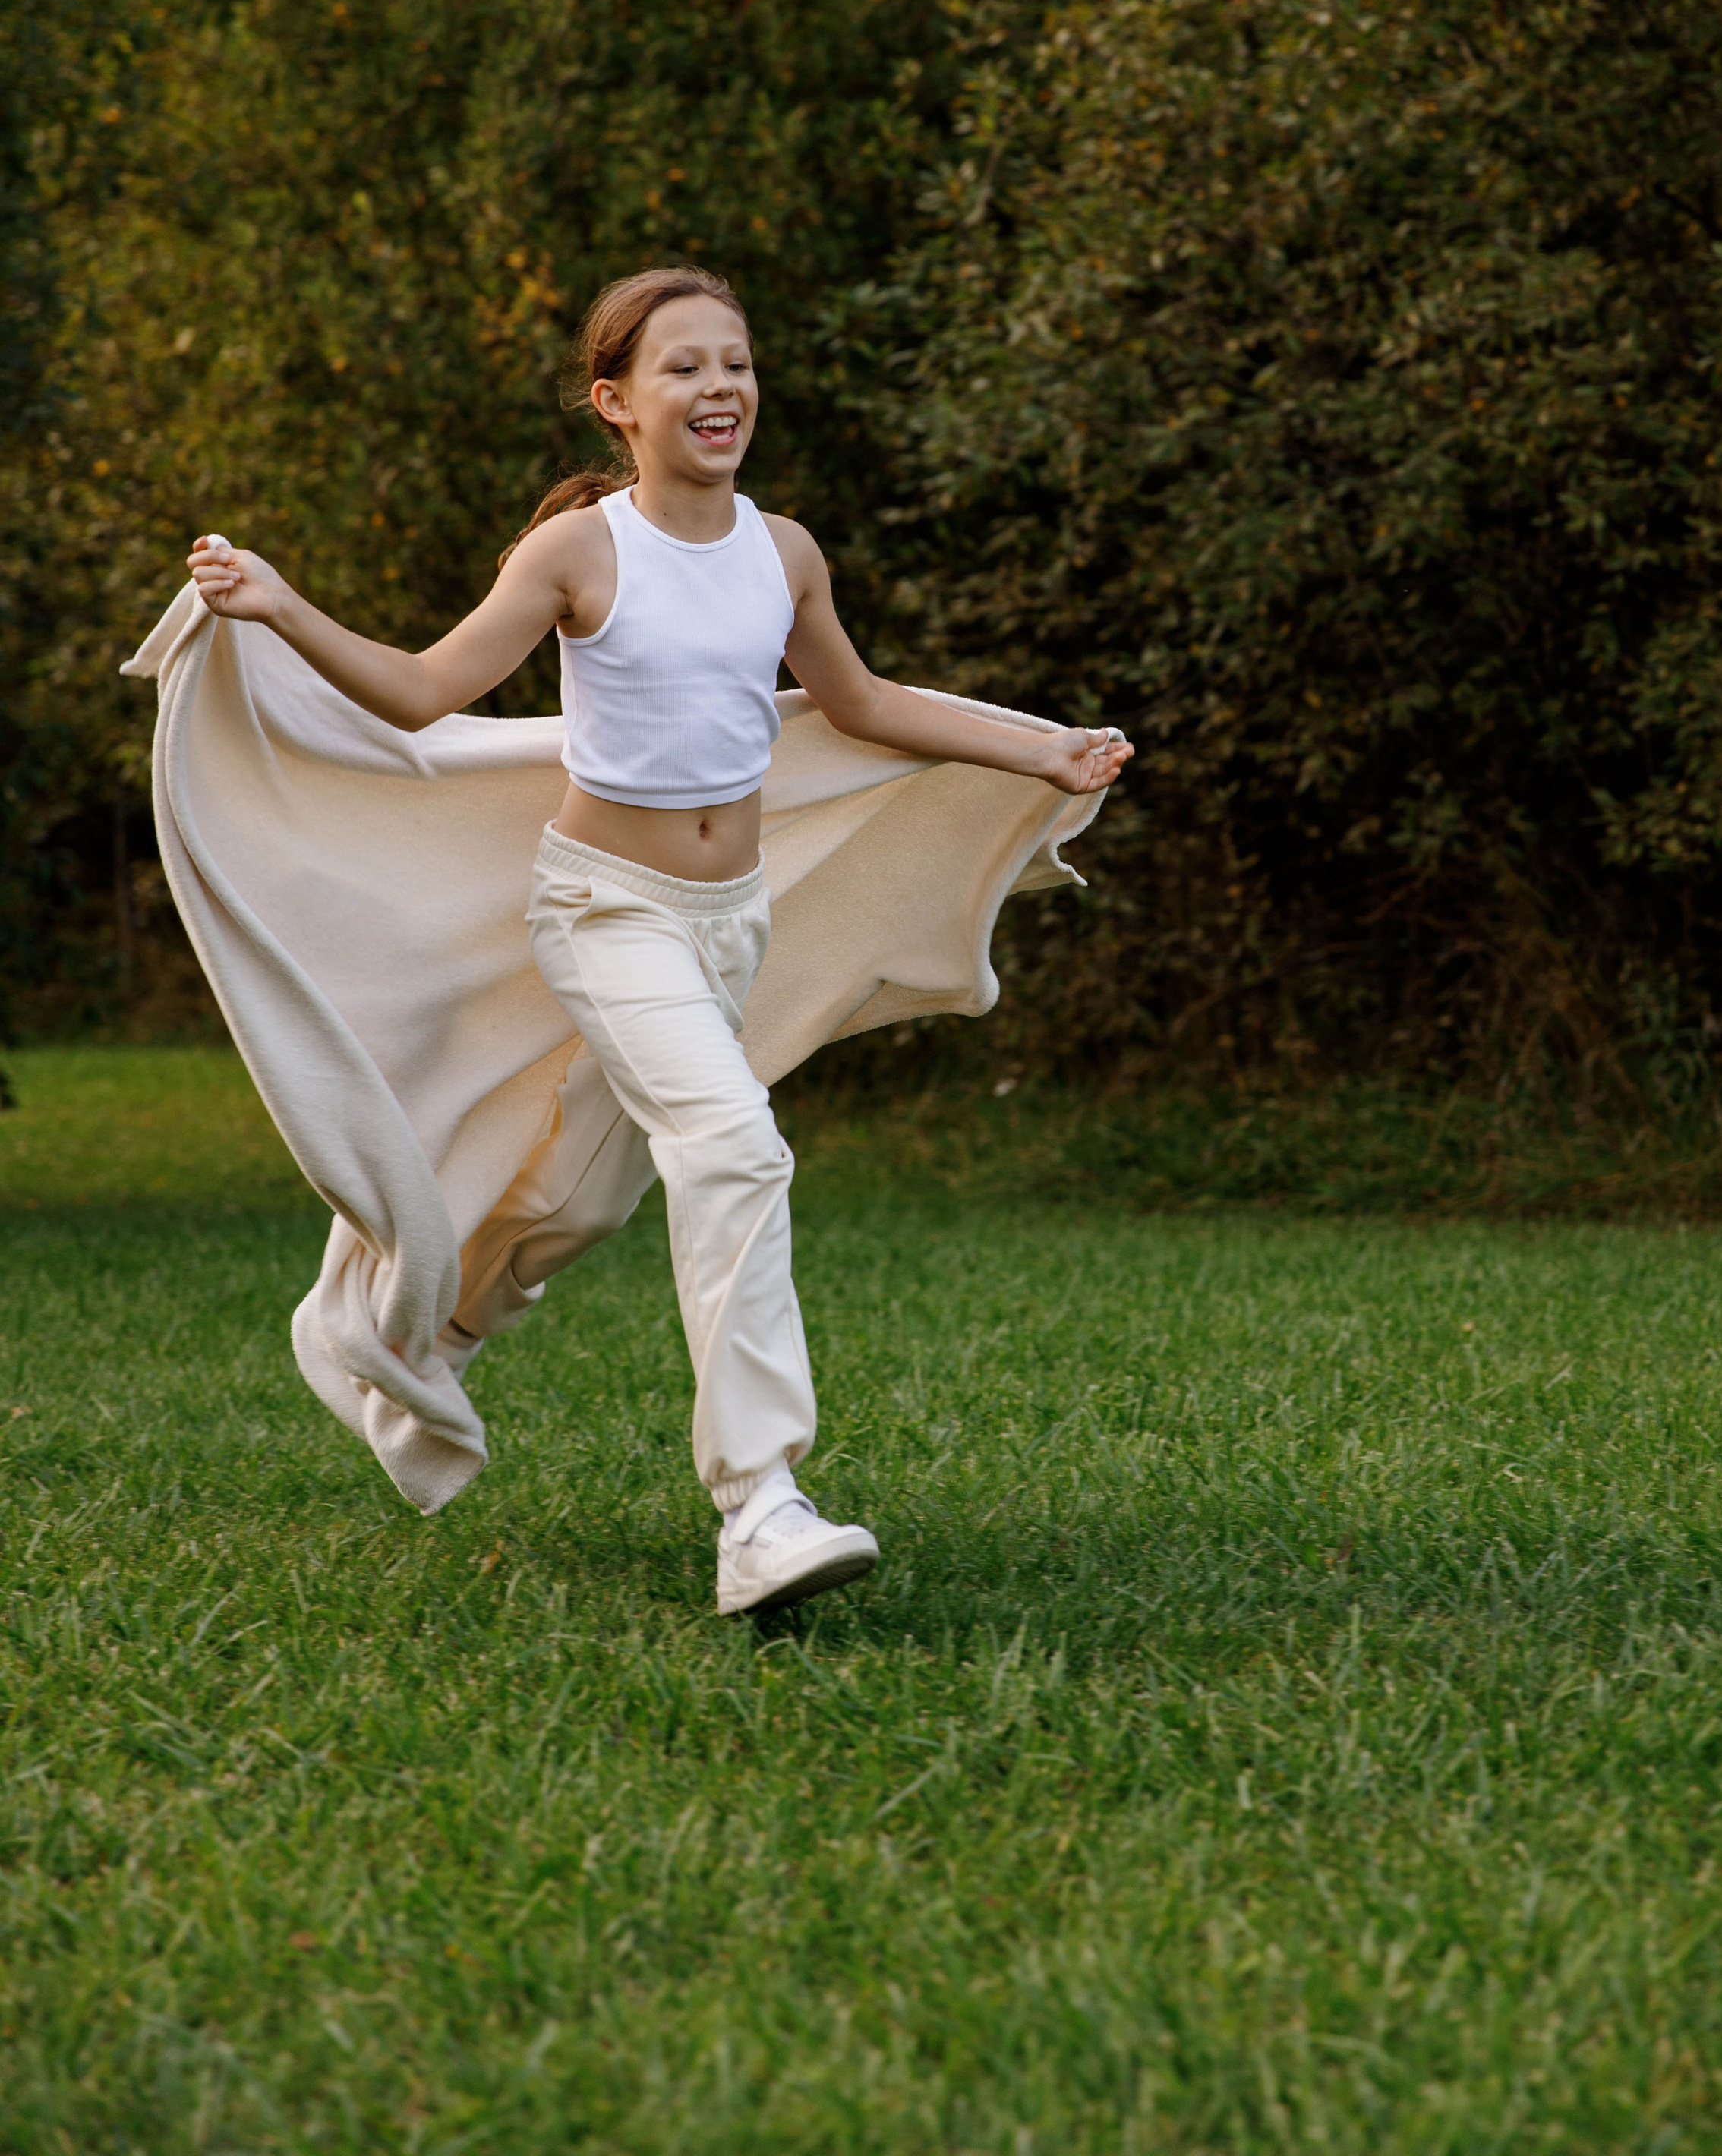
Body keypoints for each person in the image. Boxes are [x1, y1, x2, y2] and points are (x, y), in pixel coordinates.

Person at [186, 265, 1132, 1617]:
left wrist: (1045, 751)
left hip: (726, 924)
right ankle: (761, 1505)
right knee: (737, 1148)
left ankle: (394, 1339)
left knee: (585, 1199)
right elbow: (424, 693)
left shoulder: (783, 549)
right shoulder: (580, 553)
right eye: (684, 367)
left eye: (736, 363)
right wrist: (279, 604)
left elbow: (857, 704)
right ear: (616, 402)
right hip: (604, 913)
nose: (720, 388)